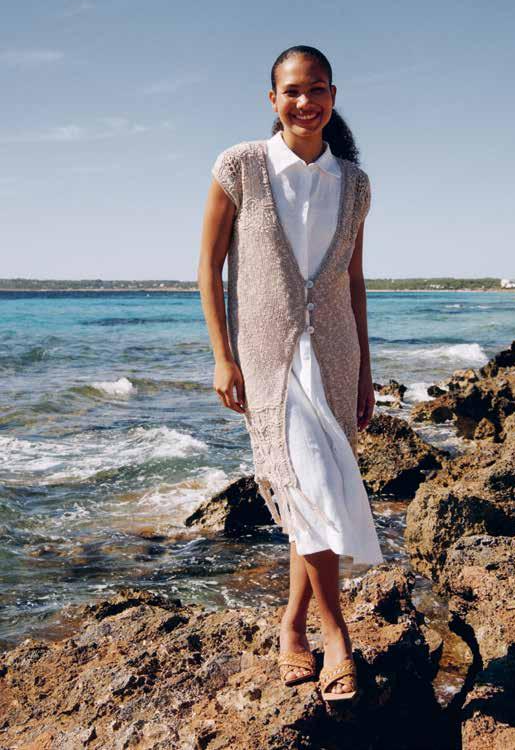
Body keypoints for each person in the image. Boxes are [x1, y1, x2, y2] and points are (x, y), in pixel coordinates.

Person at [198, 45, 384, 701]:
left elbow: (353, 282)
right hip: (267, 358)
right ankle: (336, 635)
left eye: (318, 89)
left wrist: (366, 372)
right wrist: (222, 355)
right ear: (273, 99)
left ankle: (291, 625)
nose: (306, 102)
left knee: (314, 496)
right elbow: (209, 267)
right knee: (312, 488)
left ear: (333, 95)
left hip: (335, 356)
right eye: (294, 91)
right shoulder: (240, 166)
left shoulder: (354, 184)